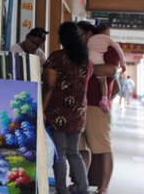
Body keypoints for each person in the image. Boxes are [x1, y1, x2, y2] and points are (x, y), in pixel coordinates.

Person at [43, 22, 92, 194]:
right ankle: (83, 189)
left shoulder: (56, 58)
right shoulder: (86, 61)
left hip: (58, 110)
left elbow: (50, 84)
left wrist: (43, 108)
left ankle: (61, 190)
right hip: (78, 112)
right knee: (74, 152)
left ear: (61, 38)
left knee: (60, 152)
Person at [77, 21, 120, 194]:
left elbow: (111, 70)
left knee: (102, 148)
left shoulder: (109, 49)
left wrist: (105, 99)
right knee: (80, 148)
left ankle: (103, 188)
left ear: (89, 34)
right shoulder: (83, 50)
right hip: (78, 105)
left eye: (79, 34)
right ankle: (80, 184)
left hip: (96, 106)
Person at [88, 24, 127, 113]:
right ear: (106, 32)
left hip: (89, 59)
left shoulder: (91, 39)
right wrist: (123, 64)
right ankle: (104, 99)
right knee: (102, 81)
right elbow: (119, 50)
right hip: (98, 60)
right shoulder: (108, 40)